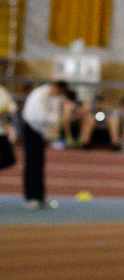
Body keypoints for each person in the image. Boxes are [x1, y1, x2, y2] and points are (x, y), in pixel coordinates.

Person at [21, 79, 72, 209]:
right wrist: (52, 124)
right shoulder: (40, 95)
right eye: (59, 91)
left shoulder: (55, 98)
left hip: (41, 132)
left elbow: (55, 118)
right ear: (54, 86)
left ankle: (40, 196)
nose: (59, 94)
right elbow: (39, 117)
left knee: (39, 163)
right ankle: (31, 197)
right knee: (32, 163)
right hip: (31, 129)